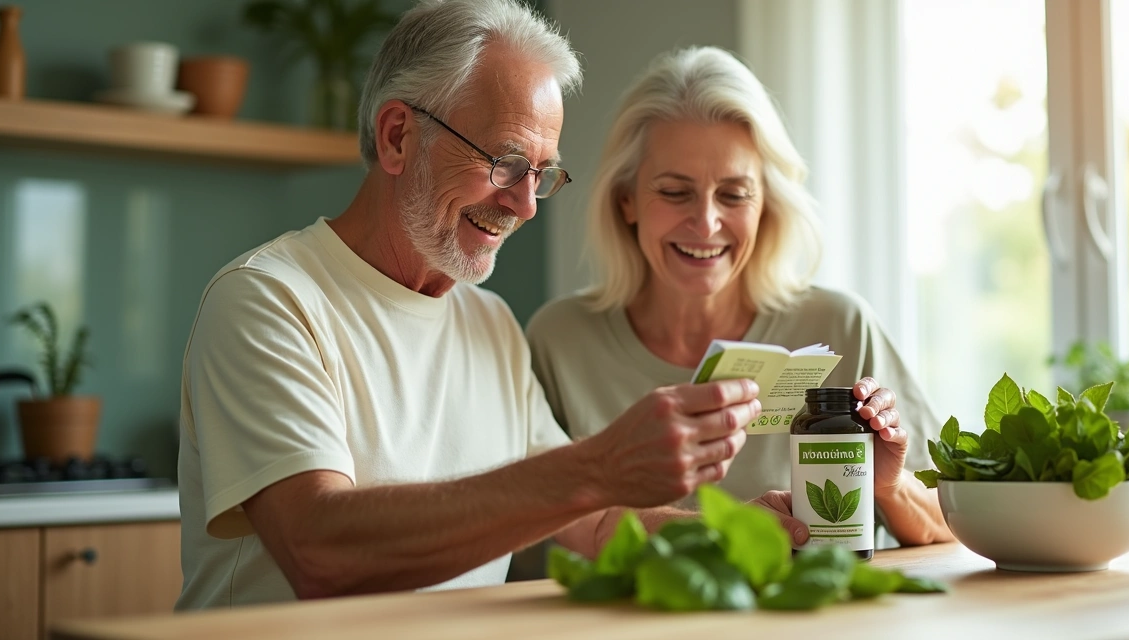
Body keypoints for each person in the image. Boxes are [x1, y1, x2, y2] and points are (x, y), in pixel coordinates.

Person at [175, 2, 770, 609]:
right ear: (397, 136)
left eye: (541, 174)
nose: (525, 205)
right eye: (506, 164)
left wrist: (745, 531)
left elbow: (593, 524)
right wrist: (596, 467)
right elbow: (319, 553)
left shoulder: (490, 324)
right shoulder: (268, 299)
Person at [526, 47, 953, 548]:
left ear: (766, 206)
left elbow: (948, 520)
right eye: (675, 192)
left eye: (733, 194)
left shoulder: (840, 326)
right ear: (627, 202)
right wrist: (726, 529)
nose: (706, 223)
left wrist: (886, 488)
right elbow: (542, 519)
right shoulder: (559, 340)